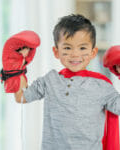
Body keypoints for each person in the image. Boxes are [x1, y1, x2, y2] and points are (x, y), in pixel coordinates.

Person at [14, 14, 120, 150]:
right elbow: (21, 96)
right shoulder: (50, 80)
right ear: (56, 51)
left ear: (93, 53)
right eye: (67, 48)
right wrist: (17, 66)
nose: (75, 54)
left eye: (82, 48)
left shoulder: (102, 86)